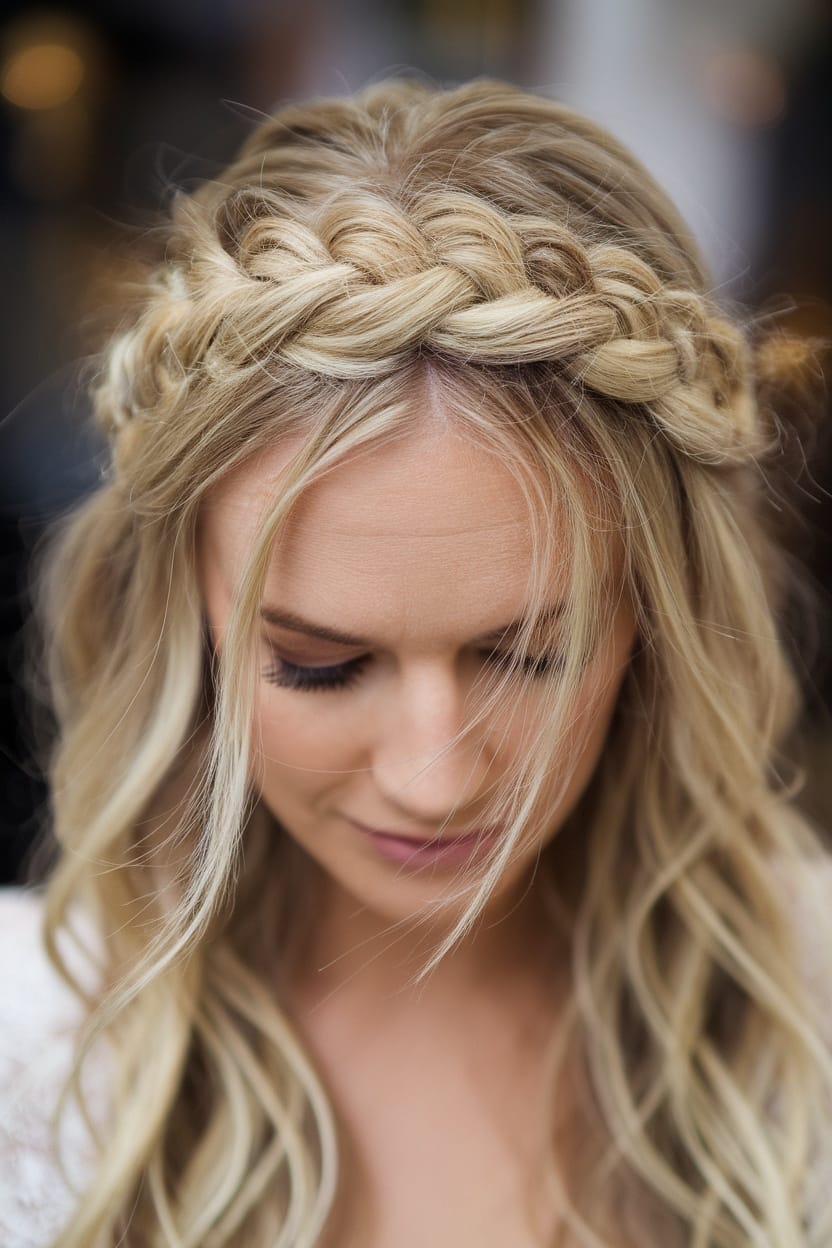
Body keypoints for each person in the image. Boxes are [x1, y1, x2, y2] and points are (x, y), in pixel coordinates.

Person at [1, 77, 831, 1248]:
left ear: (658, 614)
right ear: (185, 613)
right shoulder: (30, 1055)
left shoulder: (809, 1016)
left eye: (531, 656)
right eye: (320, 666)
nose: (433, 781)